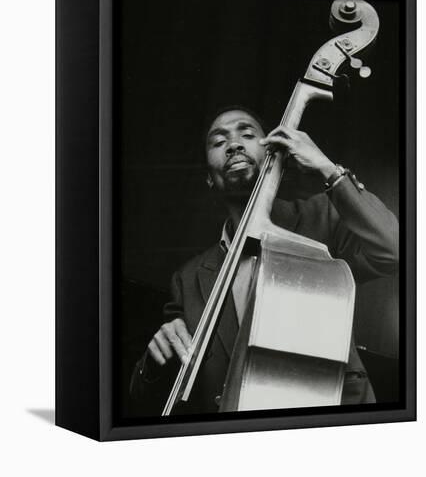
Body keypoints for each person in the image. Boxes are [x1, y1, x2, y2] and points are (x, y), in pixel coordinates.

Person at [130, 106, 399, 415]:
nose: (233, 145)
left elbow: (393, 250)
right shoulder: (188, 278)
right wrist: (152, 362)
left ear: (275, 153)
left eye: (247, 134)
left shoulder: (321, 218)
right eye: (218, 142)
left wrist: (328, 169)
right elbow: (147, 399)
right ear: (208, 179)